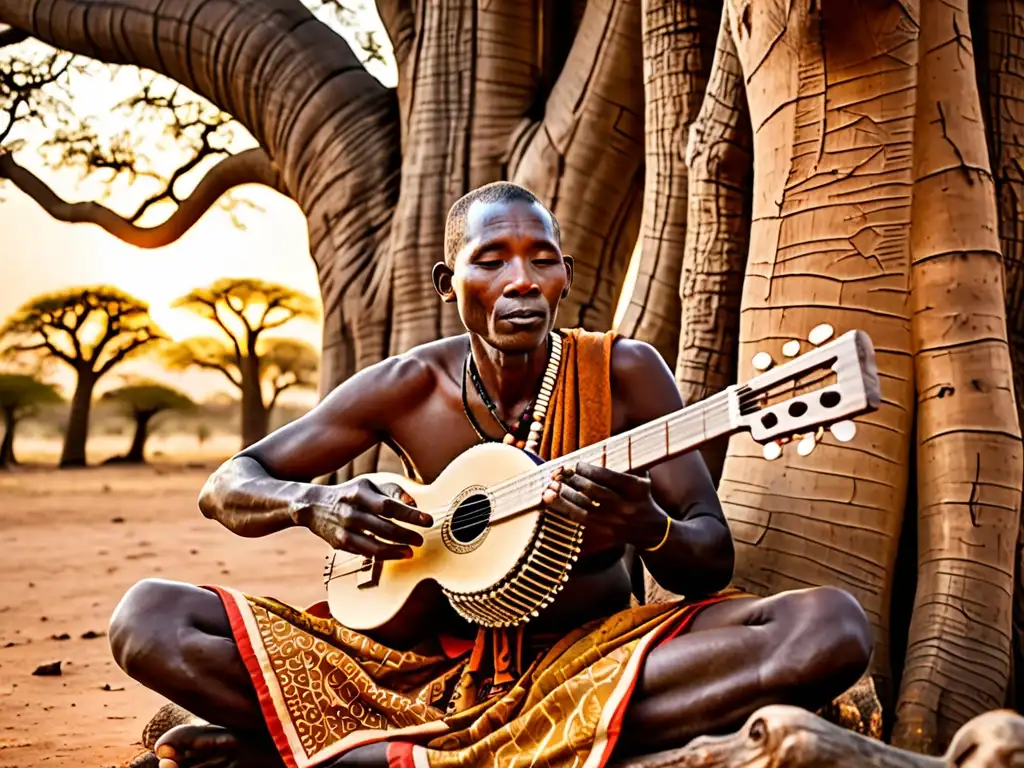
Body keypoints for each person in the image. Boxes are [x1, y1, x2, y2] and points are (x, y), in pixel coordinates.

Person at [108, 182, 872, 768]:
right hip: (401, 672)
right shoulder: (408, 386)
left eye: (542, 260)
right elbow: (229, 485)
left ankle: (327, 751)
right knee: (149, 618)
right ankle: (526, 748)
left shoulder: (627, 375)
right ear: (449, 282)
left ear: (566, 277)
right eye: (492, 260)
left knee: (828, 629)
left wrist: (648, 528)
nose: (521, 280)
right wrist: (315, 502)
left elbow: (711, 559)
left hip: (593, 661)